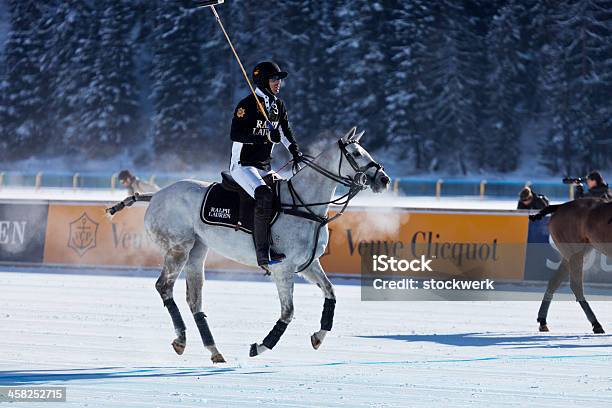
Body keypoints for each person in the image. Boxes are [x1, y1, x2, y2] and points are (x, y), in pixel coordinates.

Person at [229, 61, 303, 267]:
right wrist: (261, 137)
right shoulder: (247, 105)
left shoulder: (278, 105)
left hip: (264, 166)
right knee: (263, 195)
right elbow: (235, 134)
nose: (278, 83)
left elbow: (284, 133)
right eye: (273, 79)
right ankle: (262, 253)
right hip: (243, 165)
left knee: (287, 193)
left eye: (279, 79)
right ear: (262, 81)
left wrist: (295, 151)